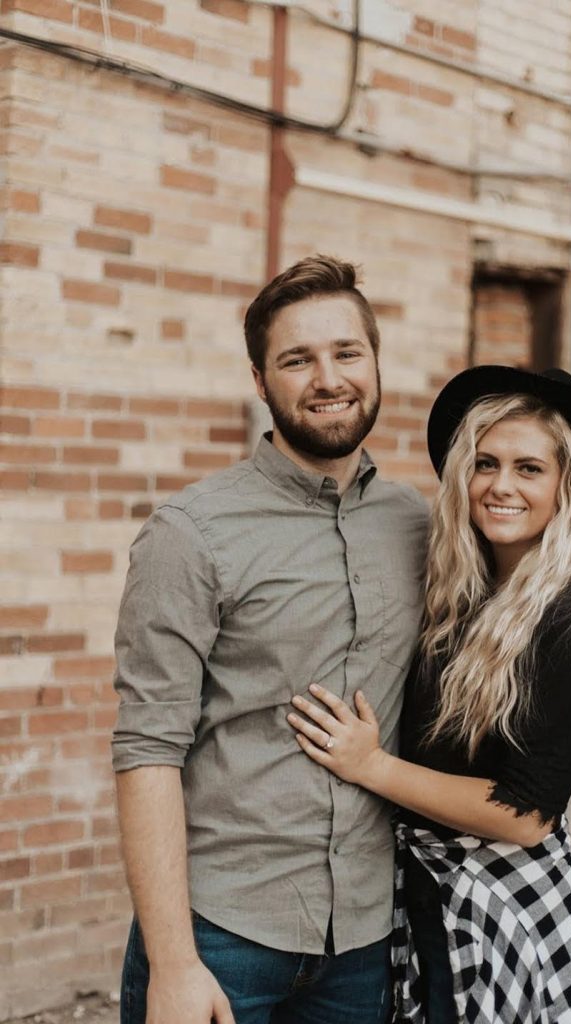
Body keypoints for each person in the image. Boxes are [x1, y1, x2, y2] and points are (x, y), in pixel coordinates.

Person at [112, 254, 429, 1024]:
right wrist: (174, 964)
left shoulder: (418, 526)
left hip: (365, 939)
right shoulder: (191, 534)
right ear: (259, 380)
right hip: (222, 935)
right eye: (297, 360)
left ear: (375, 362)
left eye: (346, 352)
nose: (328, 378)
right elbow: (147, 747)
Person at [287, 365, 571, 1023]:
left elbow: (524, 815)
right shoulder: (464, 594)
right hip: (431, 893)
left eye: (529, 469)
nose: (501, 486)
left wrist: (370, 766)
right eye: (485, 464)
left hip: (502, 904)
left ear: (567, 487)